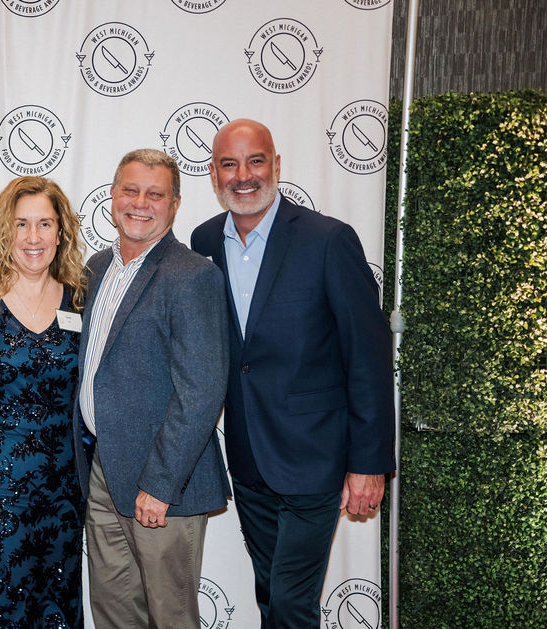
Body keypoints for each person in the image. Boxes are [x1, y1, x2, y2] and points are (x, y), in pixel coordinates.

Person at [189, 118, 395, 628]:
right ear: (213, 174)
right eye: (229, 164)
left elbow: (367, 356)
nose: (243, 175)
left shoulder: (328, 240)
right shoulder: (205, 240)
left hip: (315, 458)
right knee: (269, 595)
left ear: (276, 165)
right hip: (247, 457)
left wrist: (369, 463)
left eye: (255, 161)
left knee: (290, 603)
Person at [73, 149, 230, 628]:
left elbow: (201, 392)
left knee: (170, 617)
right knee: (114, 613)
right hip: (102, 473)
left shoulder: (193, 276)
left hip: (163, 486)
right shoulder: (96, 268)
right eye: (130, 190)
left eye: (155, 194)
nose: (140, 203)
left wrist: (160, 486)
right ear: (113, 195)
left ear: (175, 204)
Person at [0, 176, 87, 628]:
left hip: (63, 486)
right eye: (21, 224)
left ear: (61, 232)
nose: (33, 237)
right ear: (4, 231)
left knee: (55, 605)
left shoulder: (81, 299)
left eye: (45, 224)